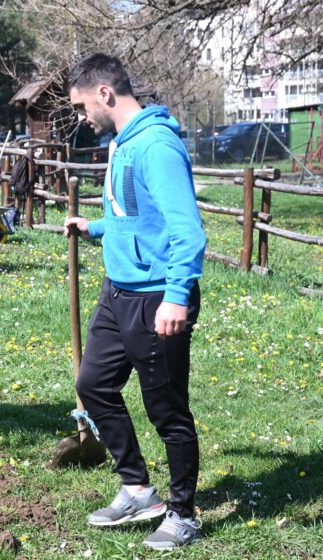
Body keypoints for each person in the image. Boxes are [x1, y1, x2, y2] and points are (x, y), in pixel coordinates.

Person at [62, 53, 206, 550]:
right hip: (117, 289)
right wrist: (96, 226)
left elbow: (188, 232)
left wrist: (176, 297)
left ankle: (183, 513)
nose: (81, 117)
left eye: (81, 106)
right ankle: (138, 490)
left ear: (105, 94)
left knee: (166, 409)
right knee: (93, 384)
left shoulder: (156, 146)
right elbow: (136, 213)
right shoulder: (122, 142)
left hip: (156, 297)